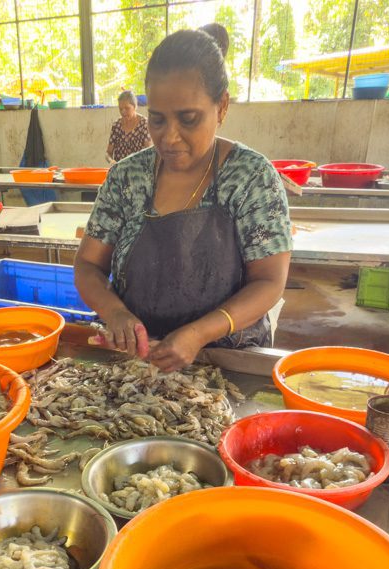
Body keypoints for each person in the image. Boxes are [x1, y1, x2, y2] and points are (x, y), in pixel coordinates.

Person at [76, 26, 292, 372]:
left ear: (221, 106)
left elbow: (269, 281)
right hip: (142, 360)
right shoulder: (127, 177)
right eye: (157, 120)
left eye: (188, 119)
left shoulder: (250, 177)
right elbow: (88, 265)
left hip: (228, 360)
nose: (169, 137)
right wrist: (115, 313)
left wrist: (198, 334)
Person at [106, 90, 151, 163]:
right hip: (120, 171)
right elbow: (108, 153)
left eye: (127, 108)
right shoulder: (116, 126)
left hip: (138, 170)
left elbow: (149, 152)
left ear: (135, 106)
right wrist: (111, 161)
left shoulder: (144, 124)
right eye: (120, 109)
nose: (123, 112)